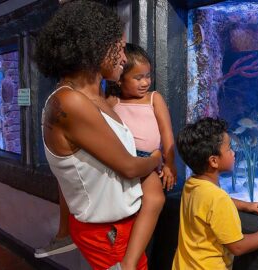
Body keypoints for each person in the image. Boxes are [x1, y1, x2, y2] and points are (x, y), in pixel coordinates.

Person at [34, 1, 161, 269]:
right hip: (108, 233)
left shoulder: (95, 97)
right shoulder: (71, 102)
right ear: (96, 47)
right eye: (119, 49)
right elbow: (128, 166)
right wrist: (156, 159)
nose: (124, 59)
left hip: (121, 230)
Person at [172, 117, 258, 270]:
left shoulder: (192, 184)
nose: (233, 153)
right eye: (229, 149)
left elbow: (208, 205)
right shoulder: (218, 199)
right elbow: (238, 247)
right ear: (213, 161)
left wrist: (245, 205)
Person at [105, 44, 177, 268]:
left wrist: (170, 164)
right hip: (120, 159)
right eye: (138, 78)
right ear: (119, 79)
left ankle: (129, 262)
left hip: (148, 160)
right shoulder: (113, 102)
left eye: (147, 76)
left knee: (155, 198)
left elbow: (167, 134)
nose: (145, 82)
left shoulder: (154, 99)